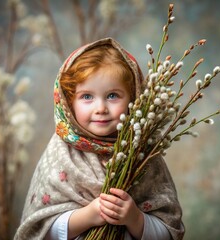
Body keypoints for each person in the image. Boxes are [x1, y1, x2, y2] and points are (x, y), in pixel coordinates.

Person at [14, 38, 185, 240]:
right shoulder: (60, 154)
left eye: (113, 95)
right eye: (87, 96)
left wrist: (135, 219)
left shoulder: (143, 155)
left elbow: (170, 231)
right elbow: (38, 231)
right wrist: (88, 216)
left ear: (134, 99)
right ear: (69, 102)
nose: (101, 108)